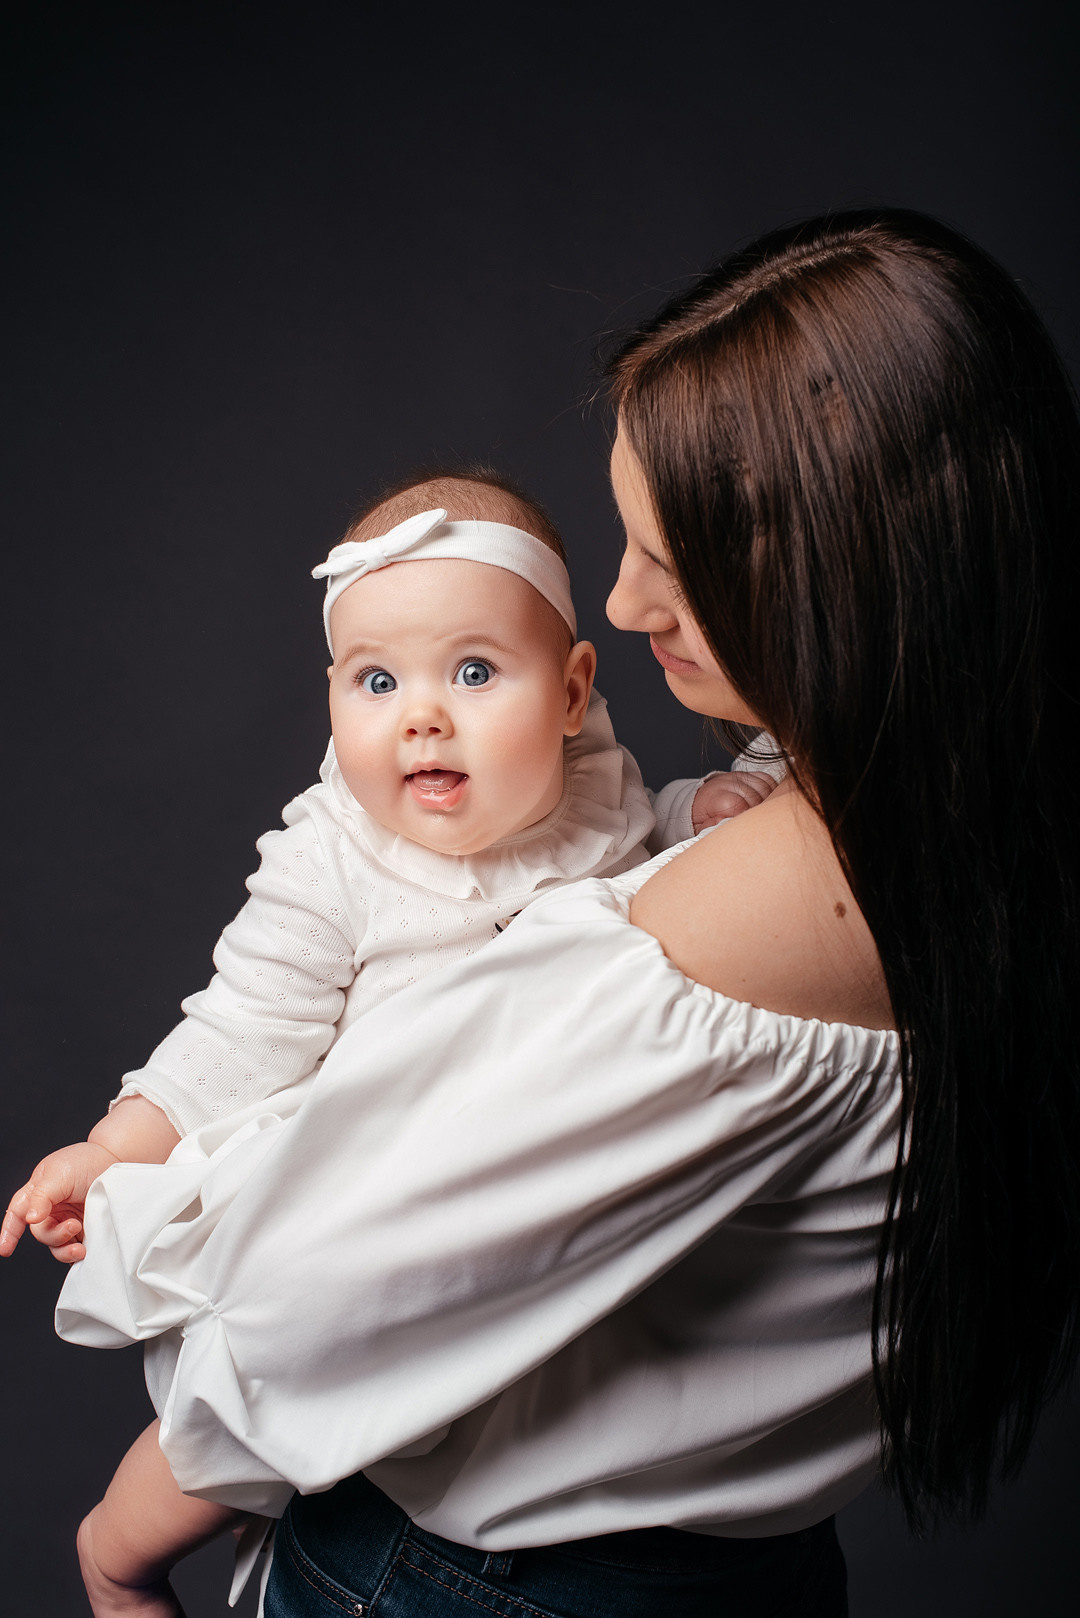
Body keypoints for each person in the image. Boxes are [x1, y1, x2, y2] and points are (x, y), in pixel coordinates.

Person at [2, 472, 775, 1615]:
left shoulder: (599, 792)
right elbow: (241, 1022)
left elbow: (653, 866)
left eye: (473, 671)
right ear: (330, 695)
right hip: (356, 1212)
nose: (421, 714)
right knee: (245, 1416)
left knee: (489, 1402)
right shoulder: (333, 859)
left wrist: (704, 810)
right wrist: (116, 1144)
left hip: (518, 1211)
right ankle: (116, 1564)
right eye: (376, 680)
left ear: (571, 693)